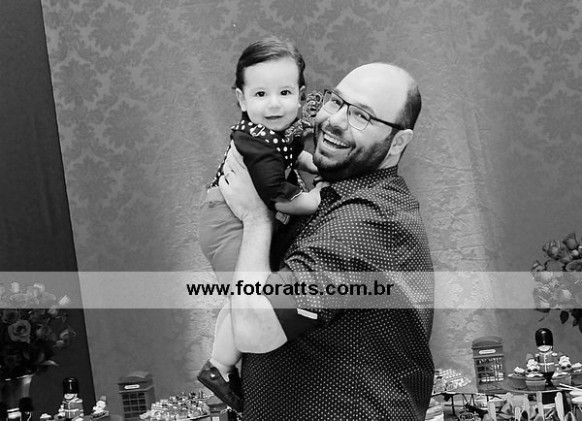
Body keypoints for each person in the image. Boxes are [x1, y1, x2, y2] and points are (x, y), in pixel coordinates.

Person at [218, 62, 435, 420]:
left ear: (397, 143)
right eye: (336, 102)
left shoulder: (368, 220)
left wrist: (256, 218)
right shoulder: (333, 200)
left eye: (362, 115)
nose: (334, 120)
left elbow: (255, 327)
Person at [196, 37, 323, 411]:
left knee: (245, 297)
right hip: (226, 223)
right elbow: (275, 193)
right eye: (261, 94)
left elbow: (294, 156)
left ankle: (219, 364)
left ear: (300, 95)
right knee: (248, 298)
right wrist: (314, 199)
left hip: (233, 218)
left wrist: (315, 164)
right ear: (241, 99)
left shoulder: (282, 132)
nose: (273, 104)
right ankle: (220, 367)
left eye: (284, 92)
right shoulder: (255, 139)